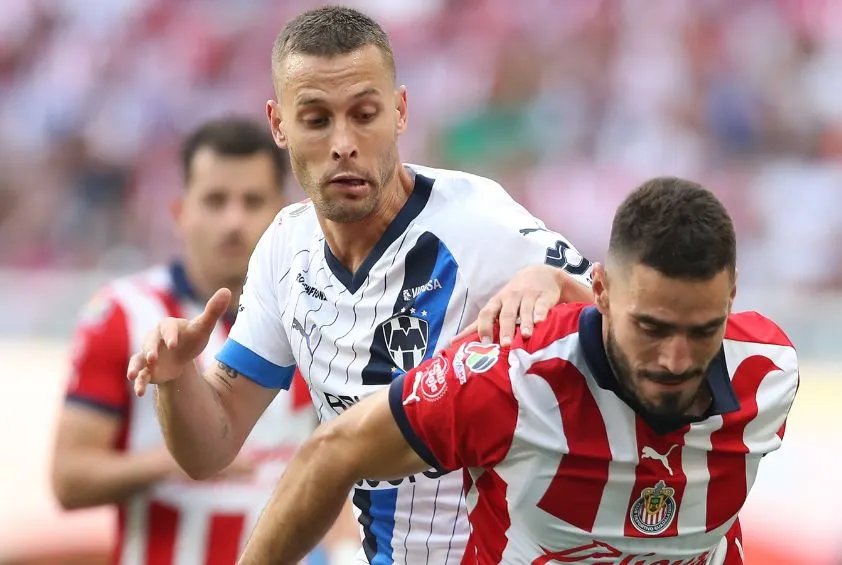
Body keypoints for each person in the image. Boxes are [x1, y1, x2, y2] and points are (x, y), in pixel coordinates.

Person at [125, 6, 594, 565]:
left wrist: (555, 281)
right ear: (279, 124)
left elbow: (629, 319)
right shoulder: (284, 247)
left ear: (400, 111)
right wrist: (177, 379)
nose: (343, 143)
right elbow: (212, 447)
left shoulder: (480, 225)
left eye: (364, 114)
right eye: (316, 120)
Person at [236, 177, 802, 565]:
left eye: (702, 330)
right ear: (602, 292)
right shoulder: (510, 377)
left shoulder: (770, 372)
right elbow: (331, 453)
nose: (676, 360)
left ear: (731, 298)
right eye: (650, 328)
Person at [50, 117, 336, 564]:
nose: (234, 221)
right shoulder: (122, 314)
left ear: (282, 214)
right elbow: (69, 479)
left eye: (252, 201)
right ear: (180, 212)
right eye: (215, 201)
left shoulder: (320, 314)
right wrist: (188, 454)